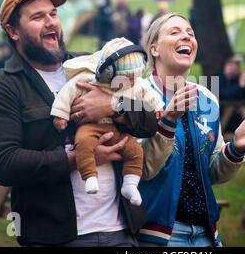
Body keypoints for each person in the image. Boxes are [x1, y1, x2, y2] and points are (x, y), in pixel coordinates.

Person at [0, 0, 174, 247]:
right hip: (56, 237)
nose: (51, 23)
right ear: (13, 31)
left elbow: (150, 122)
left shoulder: (92, 67)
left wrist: (112, 106)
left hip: (122, 230)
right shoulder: (4, 88)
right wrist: (78, 158)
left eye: (53, 14)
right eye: (38, 17)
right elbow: (6, 165)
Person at [136, 13, 245, 247]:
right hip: (157, 234)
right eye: (175, 32)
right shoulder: (136, 97)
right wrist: (169, 120)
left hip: (206, 233)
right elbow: (141, 168)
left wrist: (235, 149)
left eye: (190, 33)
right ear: (154, 49)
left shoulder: (207, 99)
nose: (186, 36)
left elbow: (211, 172)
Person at [51, 37, 164, 205]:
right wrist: (60, 114)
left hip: (117, 130)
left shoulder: (135, 83)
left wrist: (158, 107)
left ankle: (130, 184)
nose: (131, 83)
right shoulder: (88, 78)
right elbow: (67, 93)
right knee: (83, 142)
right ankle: (89, 176)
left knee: (135, 150)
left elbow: (148, 95)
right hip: (90, 127)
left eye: (134, 78)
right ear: (107, 72)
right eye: (126, 79)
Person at [218, 57, 245, 133]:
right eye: (230, 66)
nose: (232, 70)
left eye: (235, 68)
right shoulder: (218, 78)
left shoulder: (238, 79)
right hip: (221, 114)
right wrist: (241, 86)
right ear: (225, 67)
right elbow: (226, 96)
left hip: (238, 115)